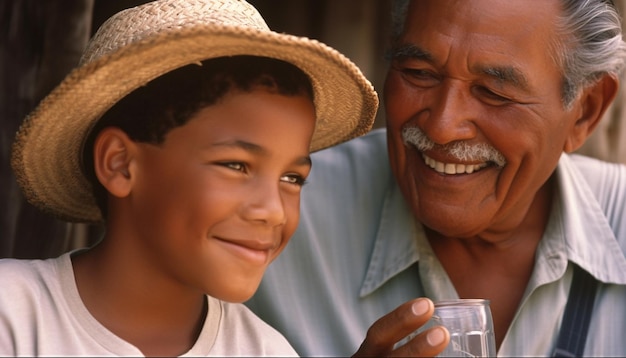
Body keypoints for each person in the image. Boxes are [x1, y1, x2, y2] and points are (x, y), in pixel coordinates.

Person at [246, 0, 626, 356]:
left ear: (585, 113)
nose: (443, 127)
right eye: (419, 74)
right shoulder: (273, 219)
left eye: (493, 93)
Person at [2, 0, 377, 356]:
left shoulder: (266, 351)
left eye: (293, 178)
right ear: (119, 164)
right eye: (236, 166)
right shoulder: (13, 318)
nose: (274, 212)